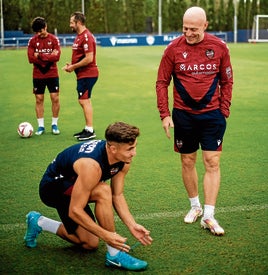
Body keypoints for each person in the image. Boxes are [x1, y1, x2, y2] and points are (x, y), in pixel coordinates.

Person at [24, 121, 153, 271]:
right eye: (130, 149)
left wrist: (132, 225)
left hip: (77, 186)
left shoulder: (123, 160)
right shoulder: (91, 166)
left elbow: (117, 195)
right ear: (112, 148)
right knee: (103, 191)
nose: (134, 153)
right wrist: (106, 235)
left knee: (90, 243)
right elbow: (75, 210)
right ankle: (114, 255)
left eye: (135, 147)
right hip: (52, 188)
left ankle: (39, 222)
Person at [156, 6, 233, 236]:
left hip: (212, 116)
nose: (188, 33)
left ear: (205, 26)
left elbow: (227, 81)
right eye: (185, 28)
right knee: (188, 161)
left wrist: (224, 111)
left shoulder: (219, 47)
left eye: (193, 29)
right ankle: (195, 206)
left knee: (212, 163)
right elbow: (162, 82)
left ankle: (209, 214)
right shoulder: (173, 49)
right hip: (183, 115)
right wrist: (165, 114)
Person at [63, 12, 99, 141]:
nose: (70, 25)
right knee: (84, 100)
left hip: (88, 73)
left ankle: (90, 130)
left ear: (78, 22)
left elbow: (89, 58)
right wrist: (71, 65)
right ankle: (87, 128)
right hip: (83, 74)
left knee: (84, 100)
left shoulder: (87, 36)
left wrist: (73, 67)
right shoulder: (79, 36)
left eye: (72, 22)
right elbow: (80, 57)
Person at [27, 17, 61, 136]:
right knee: (39, 99)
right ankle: (41, 126)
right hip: (38, 74)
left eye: (40, 31)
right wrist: (48, 56)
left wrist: (40, 56)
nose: (38, 34)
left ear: (45, 27)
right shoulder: (32, 41)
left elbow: (56, 57)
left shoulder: (54, 39)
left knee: (55, 98)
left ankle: (54, 124)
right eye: (36, 32)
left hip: (52, 73)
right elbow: (30, 59)